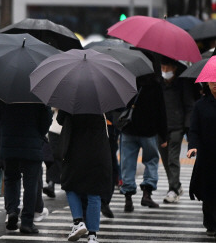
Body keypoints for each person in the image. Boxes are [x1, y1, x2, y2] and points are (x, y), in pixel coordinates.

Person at [0, 97, 52, 234]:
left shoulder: (5, 90)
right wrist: (39, 133)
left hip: (9, 142)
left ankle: (12, 211)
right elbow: (47, 119)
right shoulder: (39, 92)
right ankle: (27, 222)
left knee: (11, 179)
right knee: (31, 184)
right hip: (32, 144)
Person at [56, 111, 112, 243]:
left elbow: (60, 120)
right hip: (98, 150)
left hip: (75, 150)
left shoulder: (71, 98)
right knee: (94, 191)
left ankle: (78, 222)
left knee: (70, 185)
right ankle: (92, 236)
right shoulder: (101, 100)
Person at [119, 73, 168, 212]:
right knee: (151, 160)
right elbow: (161, 111)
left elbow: (119, 104)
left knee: (127, 163)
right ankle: (147, 193)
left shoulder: (127, 81)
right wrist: (163, 135)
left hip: (129, 129)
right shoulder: (155, 85)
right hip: (149, 131)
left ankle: (128, 199)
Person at [159, 57, 196, 203]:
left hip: (177, 126)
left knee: (173, 158)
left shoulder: (182, 83)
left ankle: (173, 189)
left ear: (175, 68)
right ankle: (175, 184)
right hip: (161, 127)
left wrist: (187, 127)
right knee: (166, 158)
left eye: (168, 68)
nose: (165, 71)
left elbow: (189, 105)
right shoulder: (158, 84)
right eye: (163, 67)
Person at [187, 82, 216, 240]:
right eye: (213, 81)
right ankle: (210, 223)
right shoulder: (200, 105)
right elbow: (194, 130)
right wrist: (192, 147)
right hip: (207, 156)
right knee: (208, 191)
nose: (215, 84)